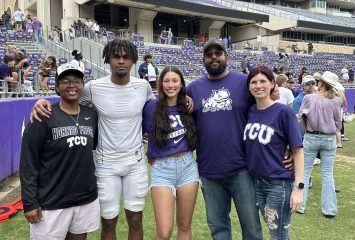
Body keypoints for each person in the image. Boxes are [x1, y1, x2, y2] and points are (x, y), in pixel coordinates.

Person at [30, 39, 156, 240]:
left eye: (126, 57)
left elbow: (153, 108)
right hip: (106, 164)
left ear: (133, 60)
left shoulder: (143, 87)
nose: (121, 61)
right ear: (108, 59)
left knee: (135, 220)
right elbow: (68, 99)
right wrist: (43, 101)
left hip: (136, 163)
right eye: (116, 56)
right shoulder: (93, 88)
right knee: (107, 223)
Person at [187, 39, 263, 240]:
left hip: (242, 168)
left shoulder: (243, 82)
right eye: (209, 54)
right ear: (203, 59)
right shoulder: (193, 88)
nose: (213, 57)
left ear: (226, 57)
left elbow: (265, 113)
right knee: (218, 229)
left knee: (252, 228)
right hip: (209, 169)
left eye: (217, 53)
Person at [20, 63, 99, 239]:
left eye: (77, 81)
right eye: (65, 81)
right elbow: (28, 161)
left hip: (85, 198)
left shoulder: (91, 115)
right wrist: (29, 202)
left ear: (82, 85)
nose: (72, 85)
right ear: (56, 87)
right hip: (51, 201)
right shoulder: (43, 115)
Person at [244, 65, 304, 239]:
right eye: (254, 82)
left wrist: (298, 188)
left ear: (272, 84)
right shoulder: (250, 111)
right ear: (249, 87)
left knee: (278, 233)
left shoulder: (283, 112)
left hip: (278, 183)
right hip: (256, 181)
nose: (258, 85)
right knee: (273, 230)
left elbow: (298, 152)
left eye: (263, 81)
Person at [142, 66, 200, 239]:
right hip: (162, 168)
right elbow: (139, 131)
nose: (170, 85)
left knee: (184, 226)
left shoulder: (189, 107)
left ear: (182, 84)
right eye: (166, 81)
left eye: (175, 80)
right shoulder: (150, 108)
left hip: (188, 166)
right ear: (160, 84)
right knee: (164, 231)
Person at [297, 71, 342, 218]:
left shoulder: (309, 98)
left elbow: (301, 119)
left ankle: (300, 205)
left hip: (311, 137)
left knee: (305, 173)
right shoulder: (336, 100)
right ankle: (329, 210)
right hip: (329, 138)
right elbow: (338, 123)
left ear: (321, 83)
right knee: (328, 174)